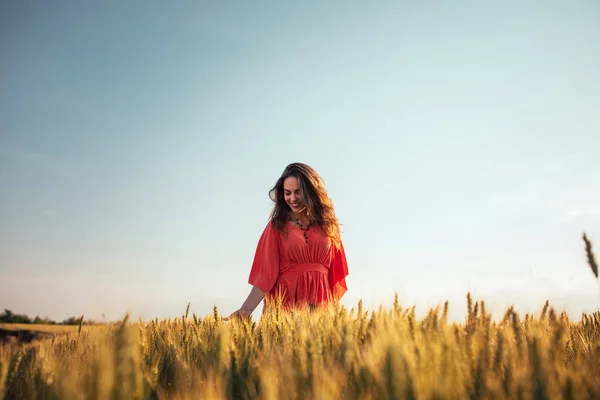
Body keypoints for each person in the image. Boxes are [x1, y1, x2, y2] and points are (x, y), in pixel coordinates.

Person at [225, 162, 349, 320]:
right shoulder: (276, 227)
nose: (292, 198)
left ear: (311, 191)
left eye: (298, 192)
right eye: (287, 193)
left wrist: (334, 320)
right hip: (285, 306)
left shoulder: (329, 228)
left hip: (320, 307)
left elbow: (334, 276)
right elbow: (265, 275)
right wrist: (245, 310)